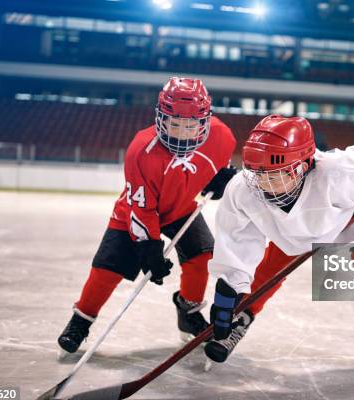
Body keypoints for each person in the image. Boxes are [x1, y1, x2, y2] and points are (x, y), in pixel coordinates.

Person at [204, 115, 354, 380]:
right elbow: (237, 242)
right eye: (258, 174)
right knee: (267, 270)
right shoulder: (243, 189)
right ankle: (241, 318)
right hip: (291, 234)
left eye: (274, 175)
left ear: (302, 166)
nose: (264, 185)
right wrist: (227, 296)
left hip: (346, 222)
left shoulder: (339, 171)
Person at [56, 77, 237, 354]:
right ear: (161, 118)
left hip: (181, 209)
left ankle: (188, 312)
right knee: (108, 268)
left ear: (204, 121)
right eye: (174, 124)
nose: (182, 134)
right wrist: (149, 246)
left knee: (202, 256)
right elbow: (141, 208)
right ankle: (81, 319)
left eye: (190, 126)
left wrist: (219, 180)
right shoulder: (141, 150)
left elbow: (215, 168)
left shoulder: (223, 137)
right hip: (135, 212)